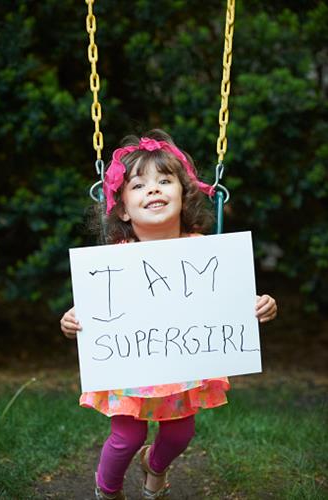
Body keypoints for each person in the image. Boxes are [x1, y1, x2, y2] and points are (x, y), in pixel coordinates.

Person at [60, 129, 277, 500]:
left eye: (165, 181)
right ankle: (107, 489)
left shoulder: (204, 251)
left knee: (180, 433)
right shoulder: (114, 258)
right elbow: (98, 308)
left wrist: (259, 305)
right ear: (124, 208)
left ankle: (155, 466)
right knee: (127, 436)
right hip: (130, 365)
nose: (154, 189)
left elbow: (228, 298)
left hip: (182, 363)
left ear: (183, 194)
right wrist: (73, 321)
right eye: (139, 185)